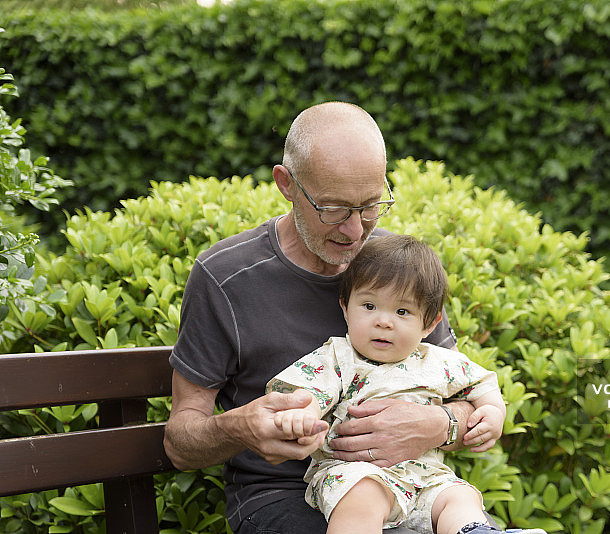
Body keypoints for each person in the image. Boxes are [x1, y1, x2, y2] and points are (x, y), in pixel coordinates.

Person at [163, 102, 481, 534]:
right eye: (333, 209)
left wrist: (440, 424)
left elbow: (466, 397)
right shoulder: (225, 278)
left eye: (371, 206)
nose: (355, 231)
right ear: (286, 184)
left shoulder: (394, 269)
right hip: (279, 497)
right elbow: (180, 441)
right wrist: (238, 428)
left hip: (411, 488)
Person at [267, 235, 546, 534]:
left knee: (459, 496)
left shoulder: (437, 361)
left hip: (426, 478)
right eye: (370, 305)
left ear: (429, 324)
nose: (383, 322)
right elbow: (309, 389)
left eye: (402, 312)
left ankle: (475, 532)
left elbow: (483, 384)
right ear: (346, 307)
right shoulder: (338, 357)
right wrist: (303, 414)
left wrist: (493, 413)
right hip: (354, 472)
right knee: (362, 497)